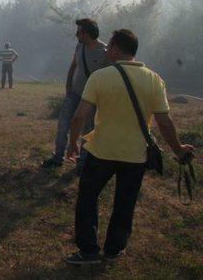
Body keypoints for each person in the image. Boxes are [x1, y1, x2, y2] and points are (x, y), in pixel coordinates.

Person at [64, 29, 195, 265]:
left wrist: (73, 143)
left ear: (114, 48)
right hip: (135, 154)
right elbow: (164, 122)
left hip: (101, 151)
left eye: (109, 48)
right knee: (125, 203)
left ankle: (89, 252)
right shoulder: (154, 79)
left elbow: (79, 117)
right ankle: (114, 250)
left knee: (88, 198)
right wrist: (178, 149)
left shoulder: (100, 77)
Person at [42, 18, 108, 170]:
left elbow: (108, 77)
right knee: (63, 125)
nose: (76, 34)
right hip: (74, 94)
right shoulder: (80, 46)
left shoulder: (105, 52)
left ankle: (82, 162)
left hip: (91, 99)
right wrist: (68, 87)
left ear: (86, 34)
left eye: (78, 32)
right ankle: (58, 157)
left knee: (88, 129)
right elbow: (73, 66)